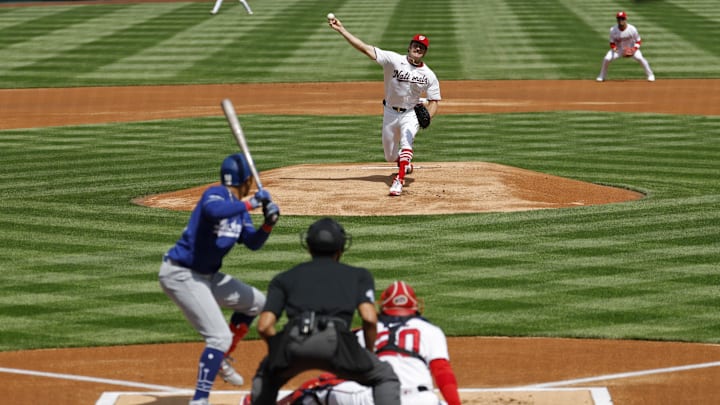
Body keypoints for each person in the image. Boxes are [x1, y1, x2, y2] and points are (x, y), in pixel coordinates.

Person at [159, 153, 280, 405]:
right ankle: (200, 400)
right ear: (246, 181)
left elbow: (252, 243)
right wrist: (252, 203)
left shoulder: (239, 211)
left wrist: (268, 224)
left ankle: (223, 358)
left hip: (207, 276)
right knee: (218, 337)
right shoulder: (215, 195)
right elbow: (213, 211)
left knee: (256, 302)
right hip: (181, 274)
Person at [246, 217, 401, 405]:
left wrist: (279, 348)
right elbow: (369, 319)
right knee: (385, 376)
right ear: (341, 248)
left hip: (294, 340)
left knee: (267, 377)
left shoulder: (284, 278)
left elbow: (264, 326)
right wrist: (368, 354)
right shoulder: (358, 275)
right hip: (336, 341)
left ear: (309, 247)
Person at [274, 280, 461, 405]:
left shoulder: (365, 333)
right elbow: (442, 372)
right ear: (414, 306)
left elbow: (339, 371)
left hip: (373, 398)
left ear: (384, 307)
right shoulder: (431, 331)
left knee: (314, 392)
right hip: (422, 400)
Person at [328, 16, 441, 196]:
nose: (418, 48)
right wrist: (342, 30)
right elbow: (364, 48)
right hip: (389, 112)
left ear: (425, 52)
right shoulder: (393, 60)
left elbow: (434, 102)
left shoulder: (429, 75)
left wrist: (426, 118)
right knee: (389, 155)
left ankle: (399, 180)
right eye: (415, 45)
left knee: (406, 144)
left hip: (410, 114)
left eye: (422, 47)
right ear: (410, 47)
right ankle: (405, 164)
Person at [596, 11, 655, 82]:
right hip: (618, 49)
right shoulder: (613, 30)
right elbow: (612, 42)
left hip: (631, 48)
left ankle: (650, 75)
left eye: (622, 18)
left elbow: (638, 40)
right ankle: (601, 76)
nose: (621, 20)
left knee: (640, 58)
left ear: (625, 19)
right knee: (606, 59)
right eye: (619, 19)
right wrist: (615, 49)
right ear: (617, 20)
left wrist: (634, 49)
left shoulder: (632, 29)